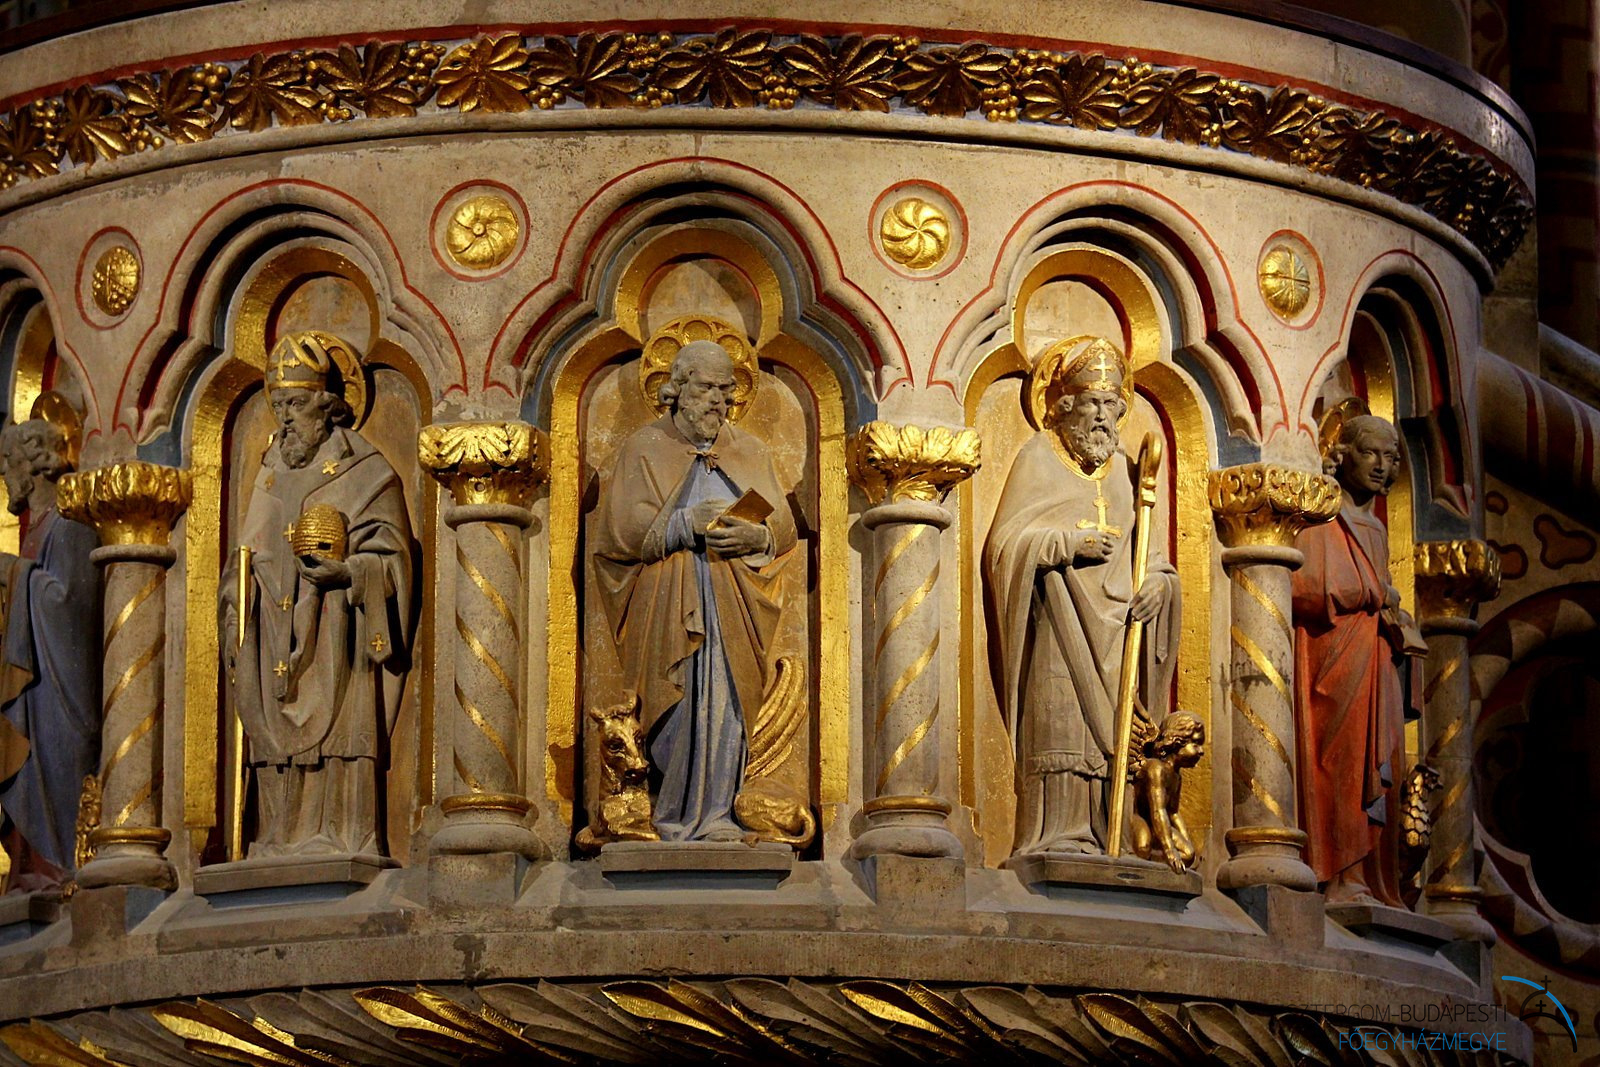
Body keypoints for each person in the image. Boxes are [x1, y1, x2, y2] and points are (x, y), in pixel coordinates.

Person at [592, 340, 796, 841]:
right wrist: (684, 524)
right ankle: (671, 812)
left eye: (726, 390)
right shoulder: (644, 447)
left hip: (734, 609)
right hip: (668, 607)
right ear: (678, 388)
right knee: (677, 705)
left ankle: (720, 814)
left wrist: (759, 538)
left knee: (727, 705)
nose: (718, 401)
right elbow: (619, 532)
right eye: (706, 388)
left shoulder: (750, 450)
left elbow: (784, 525)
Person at [986, 337, 1180, 857]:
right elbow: (1005, 546)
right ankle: (1057, 835)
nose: (1101, 416)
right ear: (1064, 405)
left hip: (1118, 636)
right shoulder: (1038, 457)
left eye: (1111, 404)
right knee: (1061, 729)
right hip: (1057, 624)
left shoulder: (1127, 473)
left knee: (1111, 744)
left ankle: (1108, 834)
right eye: (1091, 402)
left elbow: (1153, 558)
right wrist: (1067, 545)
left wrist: (1158, 586)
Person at [223, 333, 414, 858]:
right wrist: (235, 598)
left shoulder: (367, 471)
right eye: (278, 404)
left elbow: (393, 558)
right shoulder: (268, 474)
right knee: (270, 737)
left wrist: (350, 573)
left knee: (339, 741)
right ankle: (276, 839)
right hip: (270, 633)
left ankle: (340, 836)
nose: (284, 417)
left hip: (339, 638)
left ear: (327, 405)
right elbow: (244, 556)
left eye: (296, 403)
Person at [1293, 411, 1424, 906]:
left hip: (1375, 658)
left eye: (1390, 457)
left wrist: (1394, 614)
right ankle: (1341, 873)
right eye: (1370, 453)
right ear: (1343, 455)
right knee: (1342, 760)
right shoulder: (1323, 514)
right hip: (1333, 655)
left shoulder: (1377, 528)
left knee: (1379, 761)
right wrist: (1374, 592)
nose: (1380, 465)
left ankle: (1372, 878)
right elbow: (1303, 588)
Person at [0, 417, 100, 892]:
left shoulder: (69, 526)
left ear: (36, 463)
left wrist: (14, 573)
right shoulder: (36, 529)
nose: (4, 473)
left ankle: (58, 863)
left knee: (58, 763)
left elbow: (69, 605)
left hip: (61, 687)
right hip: (33, 686)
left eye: (9, 461)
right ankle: (30, 870)